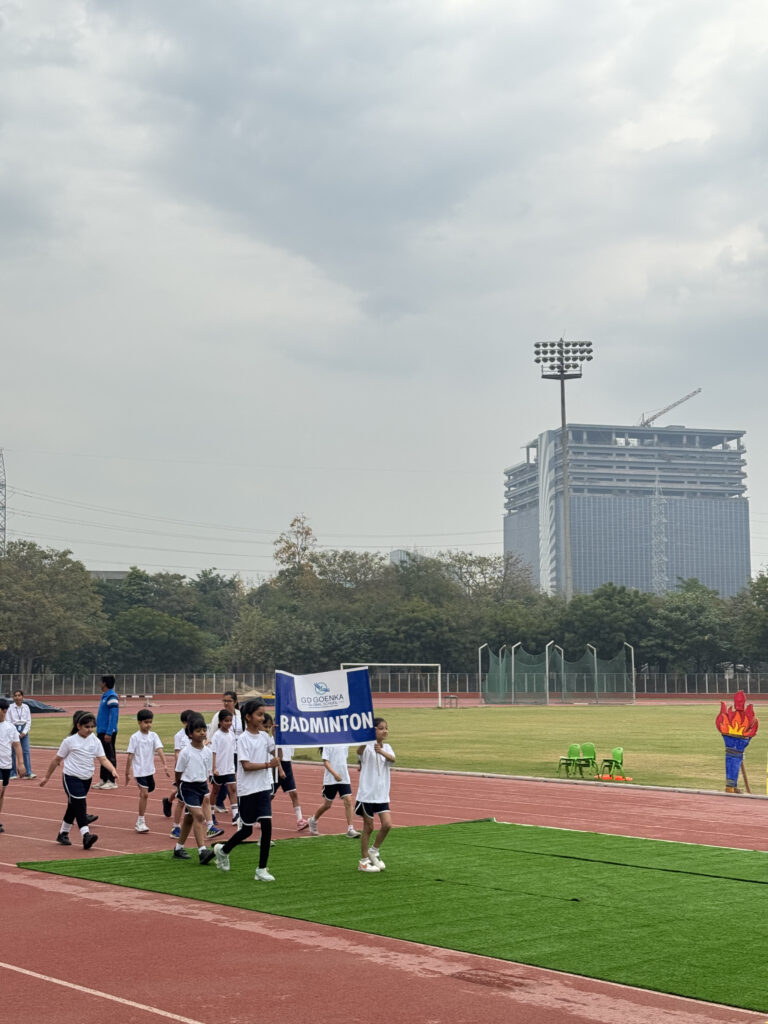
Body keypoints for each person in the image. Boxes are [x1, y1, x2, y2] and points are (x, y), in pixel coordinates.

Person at [213, 699, 279, 881]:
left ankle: (261, 869)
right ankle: (223, 850)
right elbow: (247, 765)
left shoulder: (265, 737)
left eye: (263, 714)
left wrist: (277, 736)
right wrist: (268, 764)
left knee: (267, 826)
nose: (262, 717)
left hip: (264, 787)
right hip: (248, 790)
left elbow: (276, 754)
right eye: (259, 714)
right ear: (248, 717)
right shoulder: (242, 739)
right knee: (247, 830)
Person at [40, 710, 116, 849]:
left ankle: (63, 833)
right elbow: (57, 759)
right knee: (80, 804)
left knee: (73, 806)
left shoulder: (95, 740)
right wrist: (46, 777)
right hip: (71, 777)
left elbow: (103, 759)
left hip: (86, 778)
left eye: (92, 727)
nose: (90, 729)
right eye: (87, 727)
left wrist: (112, 770)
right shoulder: (69, 741)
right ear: (78, 726)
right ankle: (86, 835)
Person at [170, 713, 216, 865]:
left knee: (190, 818)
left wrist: (205, 789)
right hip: (187, 786)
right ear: (190, 734)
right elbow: (178, 772)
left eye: (204, 729)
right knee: (199, 816)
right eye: (198, 730)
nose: (202, 732)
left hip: (201, 786)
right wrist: (179, 788)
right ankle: (202, 851)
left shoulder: (208, 752)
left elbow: (206, 771)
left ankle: (178, 848)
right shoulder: (186, 753)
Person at [354, 718, 395, 873]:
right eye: (381, 728)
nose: (385, 731)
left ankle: (374, 851)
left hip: (382, 795)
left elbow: (393, 759)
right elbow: (359, 753)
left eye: (386, 728)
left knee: (387, 825)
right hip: (367, 795)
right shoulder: (367, 748)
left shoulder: (388, 747)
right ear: (374, 730)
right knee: (368, 827)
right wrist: (367, 739)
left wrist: (381, 751)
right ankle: (363, 862)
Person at [125, 709, 171, 833]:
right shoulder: (135, 737)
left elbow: (160, 750)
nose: (148, 725)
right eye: (146, 722)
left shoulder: (153, 736)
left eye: (150, 722)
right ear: (139, 722)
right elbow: (130, 755)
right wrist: (127, 773)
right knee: (145, 794)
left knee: (148, 791)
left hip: (149, 770)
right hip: (139, 771)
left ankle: (141, 816)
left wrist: (165, 765)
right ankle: (140, 821)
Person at [307, 744, 360, 838]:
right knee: (327, 805)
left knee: (348, 800)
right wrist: (335, 774)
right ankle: (313, 820)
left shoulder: (345, 743)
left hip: (344, 778)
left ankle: (350, 829)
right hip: (331, 779)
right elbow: (326, 762)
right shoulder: (328, 744)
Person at [208, 691, 242, 813]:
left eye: (229, 701)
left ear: (235, 702)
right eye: (224, 701)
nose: (226, 703)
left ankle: (226, 805)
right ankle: (219, 803)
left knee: (231, 779)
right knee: (226, 780)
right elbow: (211, 735)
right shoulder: (218, 715)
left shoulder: (239, 715)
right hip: (224, 752)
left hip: (238, 751)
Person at [163, 709, 195, 838]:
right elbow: (177, 752)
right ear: (184, 722)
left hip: (194, 771)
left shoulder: (195, 733)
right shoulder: (179, 735)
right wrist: (179, 767)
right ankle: (176, 827)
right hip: (183, 771)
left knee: (182, 795)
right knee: (181, 800)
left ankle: (168, 801)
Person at [272, 728, 309, 831]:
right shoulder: (274, 739)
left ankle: (300, 820)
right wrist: (280, 770)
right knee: (270, 795)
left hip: (287, 766)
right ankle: (259, 815)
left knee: (294, 793)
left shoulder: (290, 738)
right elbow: (275, 755)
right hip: (277, 767)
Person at [0, 698, 26, 831]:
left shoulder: (10, 727)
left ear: (4, 711)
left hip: (6, 765)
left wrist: (21, 764)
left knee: (2, 793)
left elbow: (17, 745)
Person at [209, 709, 238, 826]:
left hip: (229, 768)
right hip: (218, 770)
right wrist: (214, 768)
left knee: (233, 789)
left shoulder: (232, 735)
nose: (229, 723)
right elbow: (214, 752)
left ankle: (236, 815)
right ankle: (210, 813)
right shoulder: (217, 736)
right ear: (220, 722)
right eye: (226, 721)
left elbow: (233, 751)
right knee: (215, 791)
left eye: (230, 721)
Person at [94, 675, 120, 789]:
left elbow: (114, 716)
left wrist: (109, 732)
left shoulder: (112, 696)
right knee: (102, 755)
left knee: (109, 755)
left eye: (101, 682)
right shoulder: (104, 696)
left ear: (104, 683)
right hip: (101, 730)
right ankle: (104, 779)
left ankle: (111, 780)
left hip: (107, 732)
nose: (100, 684)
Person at [7, 690, 34, 780]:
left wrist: (24, 732)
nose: (17, 697)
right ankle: (12, 773)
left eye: (19, 695)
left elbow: (29, 721)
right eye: (15, 695)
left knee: (26, 751)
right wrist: (15, 733)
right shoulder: (10, 708)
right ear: (13, 697)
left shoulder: (26, 707)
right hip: (13, 730)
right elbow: (9, 721)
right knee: (13, 753)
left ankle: (28, 772)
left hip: (24, 730)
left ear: (22, 697)